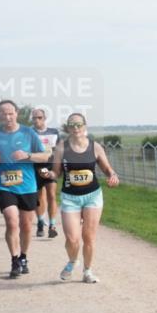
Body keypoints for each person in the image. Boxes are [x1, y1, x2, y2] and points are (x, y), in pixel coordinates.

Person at [48, 113, 119, 284]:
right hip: (70, 197)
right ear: (68, 128)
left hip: (92, 196)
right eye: (72, 125)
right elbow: (56, 173)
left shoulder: (95, 147)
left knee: (89, 237)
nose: (76, 128)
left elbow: (107, 168)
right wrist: (48, 173)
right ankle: (72, 261)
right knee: (72, 239)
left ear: (85, 126)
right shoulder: (61, 147)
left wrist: (112, 176)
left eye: (79, 124)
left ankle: (87, 271)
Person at [0, 100, 54, 278]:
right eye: (3, 113)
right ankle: (14, 260)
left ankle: (23, 257)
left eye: (11, 113)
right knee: (11, 220)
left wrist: (28, 155)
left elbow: (46, 155)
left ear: (17, 114)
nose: (7, 117)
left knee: (25, 225)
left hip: (27, 185)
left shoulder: (28, 132)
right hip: (4, 184)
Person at [31, 108, 60, 238]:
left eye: (39, 118)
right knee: (39, 197)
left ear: (45, 118)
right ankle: (41, 222)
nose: (37, 120)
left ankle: (52, 225)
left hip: (50, 167)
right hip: (35, 168)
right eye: (34, 118)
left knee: (52, 195)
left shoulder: (54, 132)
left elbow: (59, 151)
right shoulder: (29, 133)